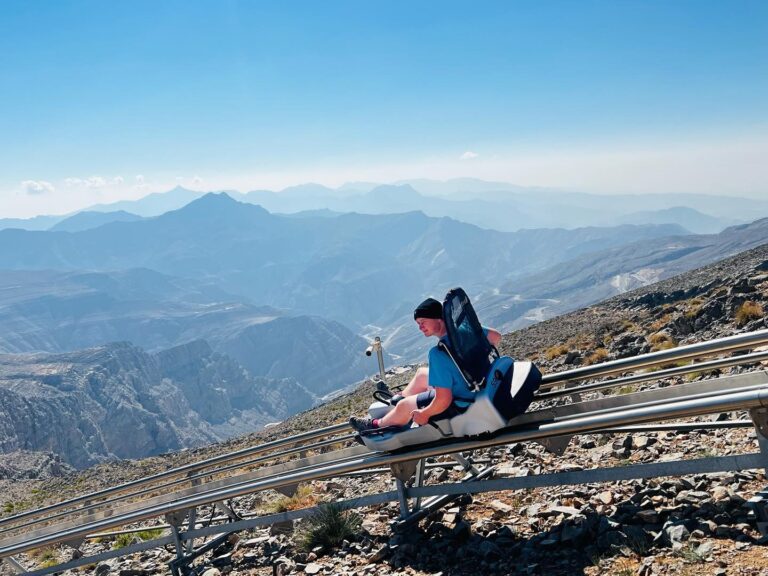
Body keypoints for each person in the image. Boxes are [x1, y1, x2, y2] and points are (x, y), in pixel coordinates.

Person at [350, 297, 501, 432]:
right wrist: (470, 361)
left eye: (423, 322)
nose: (420, 327)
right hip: (480, 381)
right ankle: (397, 397)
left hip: (463, 398)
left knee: (405, 406)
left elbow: (443, 400)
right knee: (422, 374)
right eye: (418, 323)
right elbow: (496, 337)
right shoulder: (465, 331)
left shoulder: (439, 353)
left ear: (438, 319)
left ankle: (376, 425)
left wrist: (425, 413)